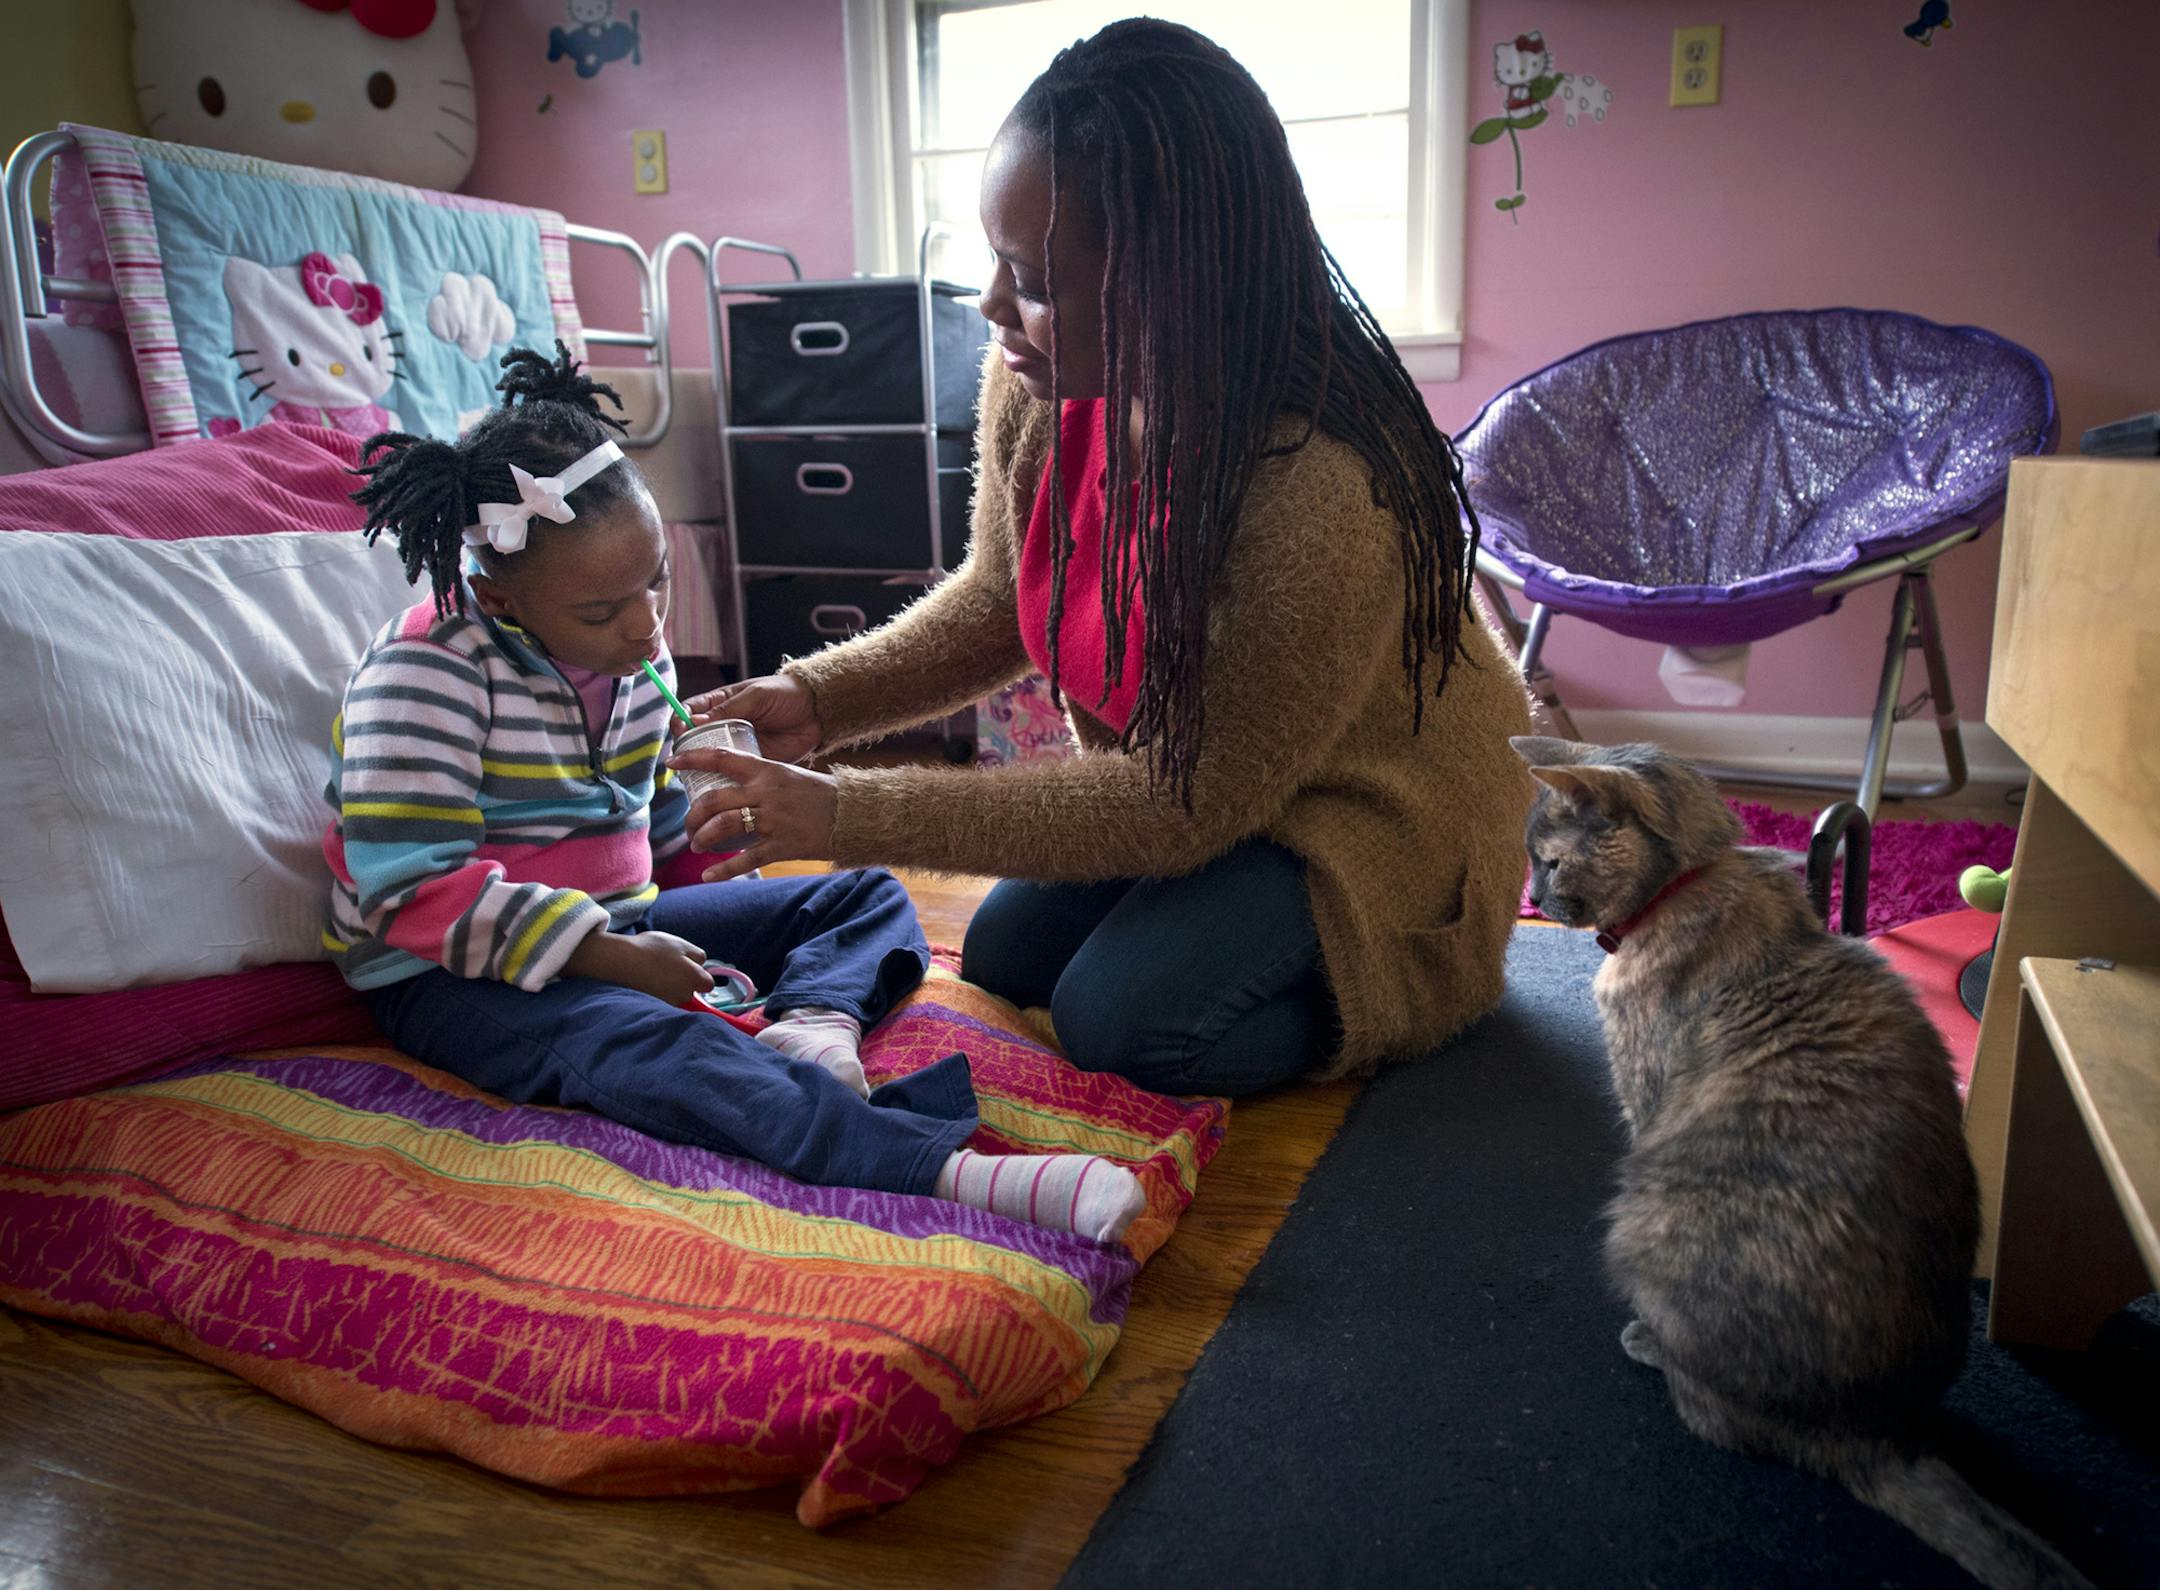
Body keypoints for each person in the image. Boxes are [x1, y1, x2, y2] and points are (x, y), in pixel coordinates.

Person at [673, 21, 1535, 1098]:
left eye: (1032, 278)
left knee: (1120, 1023)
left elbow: (1188, 805)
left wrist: (849, 815)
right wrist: (817, 701)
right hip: (1223, 785)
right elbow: (1002, 600)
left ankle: (1415, 978)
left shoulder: (1320, 487)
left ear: (1179, 285)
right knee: (1003, 958)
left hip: (1378, 812)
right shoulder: (1045, 388)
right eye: (995, 259)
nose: (993, 309)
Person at [322, 343, 1145, 1243]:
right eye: (601, 613)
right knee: (668, 1049)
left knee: (860, 893)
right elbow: (406, 891)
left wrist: (718, 852)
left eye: (656, 581)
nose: (644, 625)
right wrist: (610, 959)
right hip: (459, 972)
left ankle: (817, 1026)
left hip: (618, 923)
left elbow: (659, 827)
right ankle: (937, 1167)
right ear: (499, 596)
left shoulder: (635, 656)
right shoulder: (426, 672)